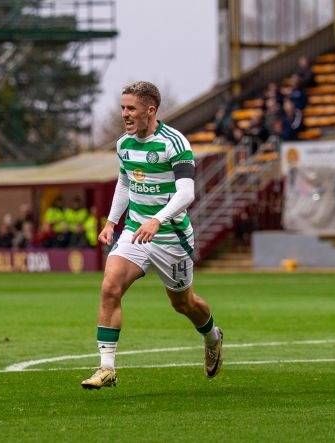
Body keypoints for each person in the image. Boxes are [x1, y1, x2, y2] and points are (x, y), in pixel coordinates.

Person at [81, 81, 223, 390]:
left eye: (131, 108)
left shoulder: (175, 143)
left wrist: (157, 220)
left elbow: (187, 193)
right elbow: (125, 182)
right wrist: (111, 222)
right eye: (122, 108)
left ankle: (212, 337)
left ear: (150, 110)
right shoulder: (124, 144)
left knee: (183, 304)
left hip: (170, 237)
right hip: (135, 231)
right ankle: (107, 368)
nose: (125, 114)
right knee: (110, 287)